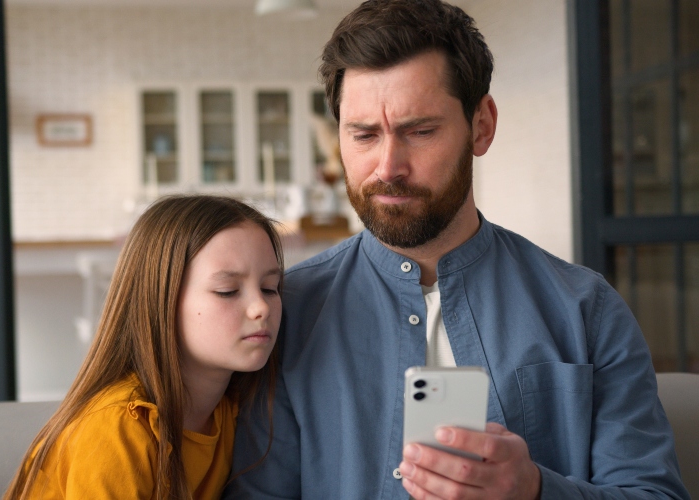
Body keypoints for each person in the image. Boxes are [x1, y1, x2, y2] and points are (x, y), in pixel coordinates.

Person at [226, 1, 689, 499]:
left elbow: (654, 492)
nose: (388, 167)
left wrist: (534, 491)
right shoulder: (285, 313)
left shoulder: (586, 309)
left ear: (481, 125)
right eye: (364, 135)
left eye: (420, 132)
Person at [5, 195, 284, 499]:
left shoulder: (233, 411)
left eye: (270, 288)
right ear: (160, 299)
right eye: (227, 291)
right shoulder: (118, 427)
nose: (261, 307)